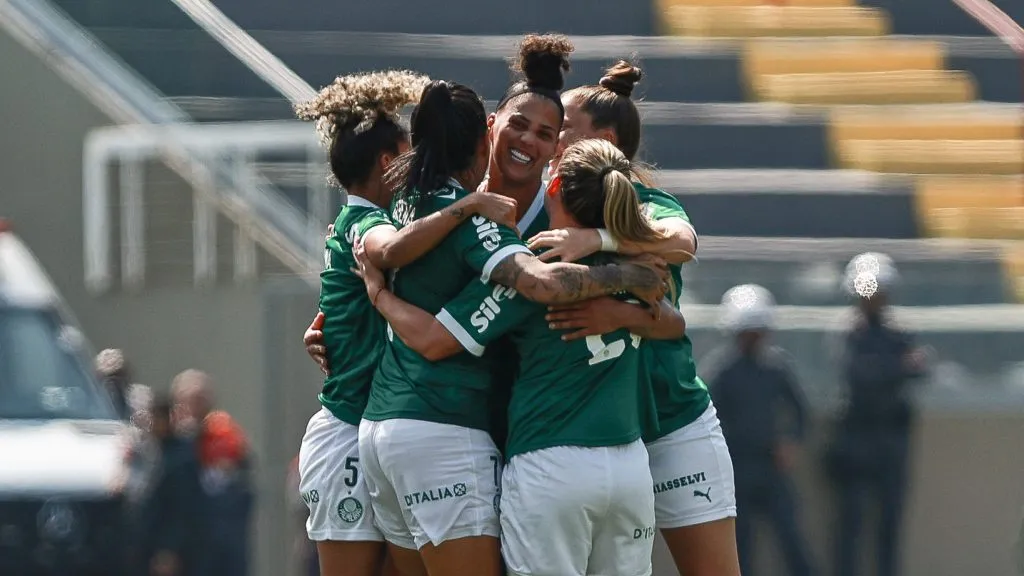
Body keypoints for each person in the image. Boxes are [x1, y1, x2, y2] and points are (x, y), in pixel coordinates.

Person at [356, 35, 674, 576]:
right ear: (490, 127)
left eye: (546, 133)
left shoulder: (561, 223)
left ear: (557, 154)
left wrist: (617, 291)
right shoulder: (481, 218)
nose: (529, 139)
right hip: (459, 428)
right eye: (518, 125)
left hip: (515, 444)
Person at [294, 69, 522, 576]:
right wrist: (468, 205)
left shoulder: (386, 216)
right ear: (386, 162)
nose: (418, 164)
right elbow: (390, 250)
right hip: (348, 429)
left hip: (375, 429)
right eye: (407, 153)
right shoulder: (367, 223)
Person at [526, 61, 740, 576]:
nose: (552, 139)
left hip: (670, 417)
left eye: (564, 129)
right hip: (596, 435)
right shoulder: (546, 208)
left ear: (604, 140)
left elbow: (683, 245)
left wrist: (599, 241)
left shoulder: (642, 202)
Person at [704, 284, 815, 576]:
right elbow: (707, 419)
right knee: (741, 544)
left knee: (791, 536)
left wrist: (791, 442)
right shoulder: (723, 371)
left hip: (771, 467)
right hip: (737, 468)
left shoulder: (776, 368)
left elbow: (800, 411)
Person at [829, 252, 928, 576]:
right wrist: (897, 367)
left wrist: (893, 368)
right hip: (857, 439)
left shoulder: (899, 333)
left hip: (892, 439)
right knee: (851, 523)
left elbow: (920, 369)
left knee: (890, 523)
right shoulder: (849, 333)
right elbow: (859, 374)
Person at [170, 369, 253, 576]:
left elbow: (243, 476)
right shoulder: (171, 442)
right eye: (191, 400)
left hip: (223, 539)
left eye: (202, 399)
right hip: (184, 541)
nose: (197, 406)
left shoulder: (224, 433)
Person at [136, 394, 202, 576]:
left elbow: (181, 509)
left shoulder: (180, 458)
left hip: (168, 548)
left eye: (156, 418)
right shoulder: (149, 452)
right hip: (145, 545)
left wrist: (168, 549)